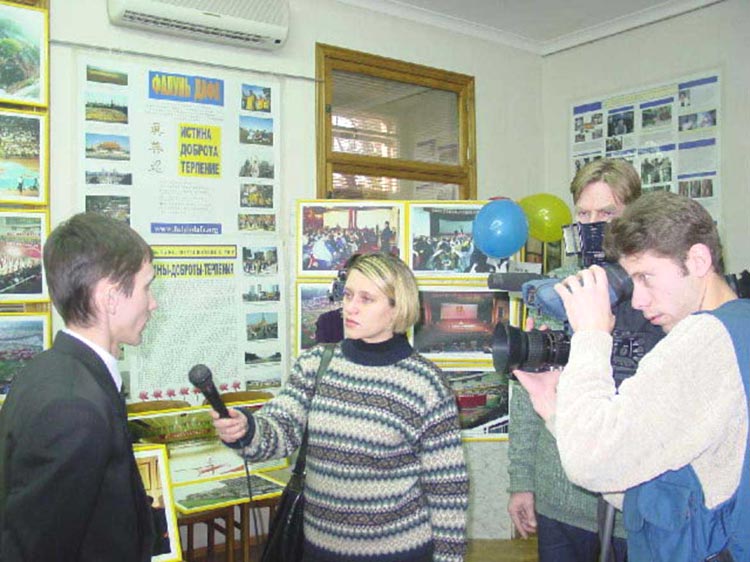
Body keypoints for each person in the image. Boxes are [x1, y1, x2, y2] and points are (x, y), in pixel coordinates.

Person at [517, 191, 750, 561]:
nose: (638, 301)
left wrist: (591, 334)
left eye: (646, 277)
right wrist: (552, 407)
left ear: (698, 260)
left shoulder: (704, 338)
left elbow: (589, 464)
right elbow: (642, 477)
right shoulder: (739, 324)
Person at [213, 252, 468, 562]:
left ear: (397, 307)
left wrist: (449, 558)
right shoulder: (316, 363)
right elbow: (280, 428)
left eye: (366, 299)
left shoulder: (426, 384)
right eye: (347, 295)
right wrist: (247, 429)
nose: (350, 307)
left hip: (399, 552)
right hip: (319, 550)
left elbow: (447, 488)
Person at [508, 158, 664, 562]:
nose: (594, 224)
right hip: (559, 497)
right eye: (584, 213)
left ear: (633, 214)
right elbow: (527, 391)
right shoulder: (554, 291)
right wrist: (521, 481)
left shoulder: (657, 291)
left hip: (630, 504)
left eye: (607, 213)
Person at [0, 212, 158, 562]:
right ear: (110, 297)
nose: (152, 303)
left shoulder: (50, 369)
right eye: (146, 287)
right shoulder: (73, 409)